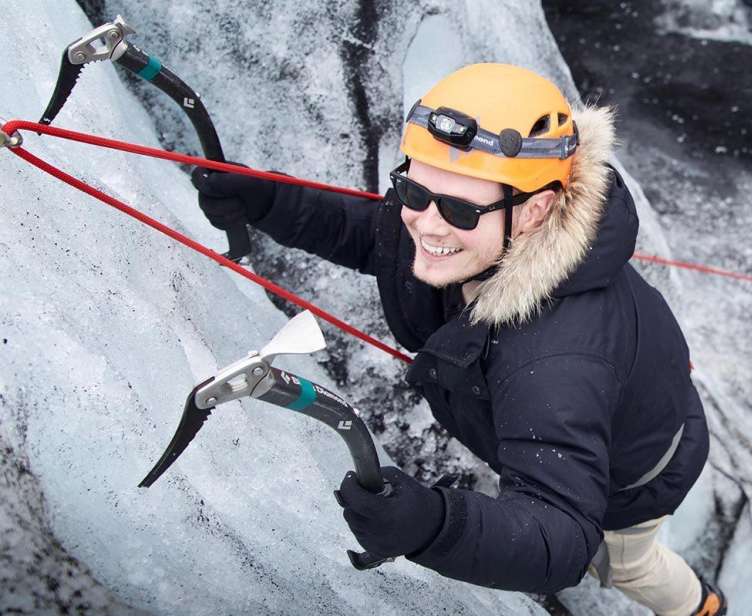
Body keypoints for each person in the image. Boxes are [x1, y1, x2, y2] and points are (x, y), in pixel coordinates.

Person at [190, 63, 725, 616]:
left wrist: (436, 526)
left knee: (626, 564)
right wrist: (268, 201)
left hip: (636, 473)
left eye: (460, 208)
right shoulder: (466, 231)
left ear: (535, 210)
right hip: (587, 414)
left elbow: (563, 535)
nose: (425, 223)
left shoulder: (556, 358)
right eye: (413, 189)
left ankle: (701, 606)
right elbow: (378, 239)